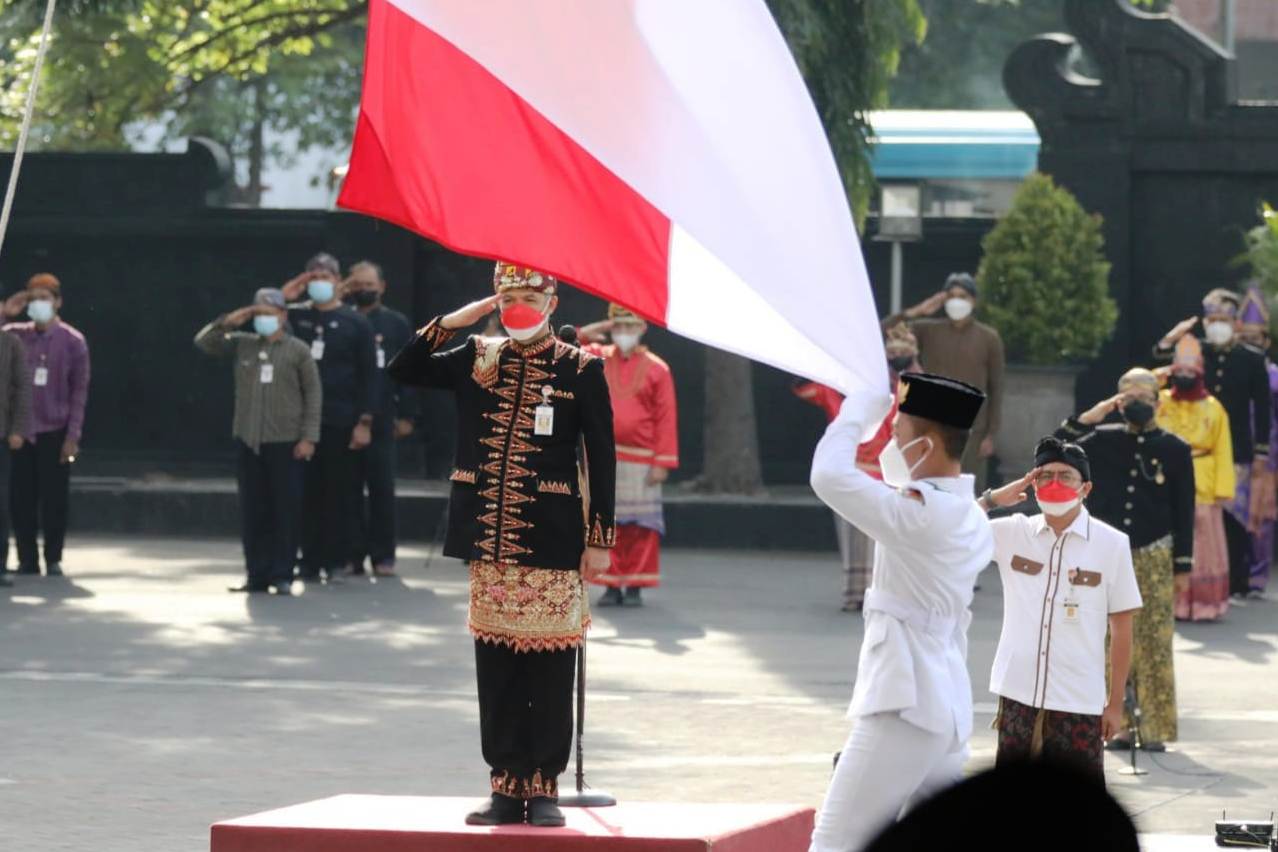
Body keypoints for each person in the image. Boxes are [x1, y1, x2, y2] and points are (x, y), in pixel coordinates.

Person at [386, 262, 615, 828]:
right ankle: (505, 786)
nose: (516, 305)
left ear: (551, 305)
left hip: (554, 534)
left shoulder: (579, 368)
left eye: (527, 296)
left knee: (551, 665)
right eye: (506, 295)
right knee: (497, 667)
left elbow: (603, 457)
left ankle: (544, 787)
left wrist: (601, 538)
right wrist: (460, 320)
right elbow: (404, 368)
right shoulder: (478, 357)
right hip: (489, 536)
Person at [807, 372, 992, 852]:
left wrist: (853, 415)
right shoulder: (970, 514)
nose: (888, 440)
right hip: (943, 706)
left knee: (836, 841)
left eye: (898, 433)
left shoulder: (922, 513)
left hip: (904, 702)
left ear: (927, 447)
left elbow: (828, 476)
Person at [979, 438, 1141, 780]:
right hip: (1017, 692)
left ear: (1086, 487)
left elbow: (1122, 627)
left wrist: (1115, 704)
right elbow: (946, 529)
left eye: (1065, 476)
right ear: (1031, 482)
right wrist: (992, 499)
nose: (1054, 483)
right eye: (1045, 475)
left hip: (1078, 699)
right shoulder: (1012, 533)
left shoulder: (1111, 544)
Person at [1056, 368, 1194, 751]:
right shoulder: (1099, 441)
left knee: (1152, 641)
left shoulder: (1175, 448)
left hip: (1154, 552)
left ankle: (1153, 727)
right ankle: (1112, 724)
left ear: (1157, 402)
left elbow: (1185, 509)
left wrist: (1183, 564)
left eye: (1145, 397)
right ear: (1117, 401)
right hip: (1104, 553)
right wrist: (1092, 416)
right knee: (1102, 639)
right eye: (1129, 397)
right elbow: (1054, 447)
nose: (1138, 403)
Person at [195, 288, 321, 595]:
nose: (265, 318)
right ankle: (257, 574)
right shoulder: (244, 345)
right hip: (250, 441)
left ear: (283, 315)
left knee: (284, 511)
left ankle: (282, 574)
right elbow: (204, 342)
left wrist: (309, 437)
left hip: (286, 442)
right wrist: (232, 320)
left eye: (270, 312)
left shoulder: (298, 350)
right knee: (253, 511)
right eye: (259, 313)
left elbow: (313, 395)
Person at [794, 324, 921, 612]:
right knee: (855, 537)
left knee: (887, 539)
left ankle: (883, 592)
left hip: (892, 474)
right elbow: (804, 387)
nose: (897, 354)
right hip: (855, 471)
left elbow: (926, 402)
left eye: (902, 350)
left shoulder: (906, 385)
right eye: (892, 350)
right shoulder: (844, 390)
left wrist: (910, 363)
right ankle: (857, 593)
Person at [1155, 288, 1272, 598]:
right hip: (1194, 446)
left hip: (1236, 448)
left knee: (1234, 518)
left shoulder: (1251, 359)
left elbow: (1262, 409)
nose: (1217, 324)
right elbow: (1162, 369)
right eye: (1212, 319)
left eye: (1224, 319)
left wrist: (1262, 452)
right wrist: (1171, 339)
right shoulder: (1196, 350)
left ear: (1235, 323)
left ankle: (1237, 582)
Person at [281, 254, 377, 584]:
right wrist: (288, 293)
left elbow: (368, 376)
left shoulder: (355, 323)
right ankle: (308, 560)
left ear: (338, 280)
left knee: (339, 493)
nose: (320, 281)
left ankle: (336, 559)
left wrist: (364, 422)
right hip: (300, 421)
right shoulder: (296, 317)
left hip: (341, 419)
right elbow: (263, 319)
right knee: (304, 494)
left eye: (326, 275)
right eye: (314, 276)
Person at [577, 304, 678, 607]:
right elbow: (567, 343)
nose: (624, 333)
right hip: (603, 456)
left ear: (642, 329)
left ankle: (634, 584)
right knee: (607, 522)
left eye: (629, 327)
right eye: (618, 327)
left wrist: (662, 462)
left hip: (642, 458)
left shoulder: (658, 368)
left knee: (641, 525)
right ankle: (610, 585)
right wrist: (596, 330)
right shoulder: (597, 357)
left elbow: (666, 417)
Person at [880, 273, 1004, 491]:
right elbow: (886, 329)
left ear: (973, 300)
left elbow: (997, 387)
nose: (957, 301)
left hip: (972, 430)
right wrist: (918, 311)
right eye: (952, 296)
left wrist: (991, 434)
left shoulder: (988, 337)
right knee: (930, 489)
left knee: (969, 493)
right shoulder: (928, 329)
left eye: (962, 296)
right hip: (930, 427)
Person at [2, 274, 89, 578]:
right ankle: (28, 559)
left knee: (54, 497)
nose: (38, 304)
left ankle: (53, 557)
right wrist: (5, 311)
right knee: (20, 498)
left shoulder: (72, 341)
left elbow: (79, 391)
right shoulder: (14, 334)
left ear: (58, 302)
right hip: (20, 431)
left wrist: (73, 435)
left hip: (55, 429)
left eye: (44, 298)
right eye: (32, 298)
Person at [343, 260, 417, 578]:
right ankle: (351, 555)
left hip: (384, 415)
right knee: (346, 488)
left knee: (381, 488)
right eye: (357, 285)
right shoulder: (342, 320)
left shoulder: (396, 324)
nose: (363, 290)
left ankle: (383, 555)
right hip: (345, 415)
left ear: (382, 287)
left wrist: (408, 414)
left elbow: (411, 370)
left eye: (369, 284)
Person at [1156, 336, 1234, 621]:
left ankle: (1204, 604)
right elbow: (1136, 389)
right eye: (1180, 371)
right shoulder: (1161, 401)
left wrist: (1223, 489)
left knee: (1205, 547)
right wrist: (1161, 374)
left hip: (1204, 482)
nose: (1185, 376)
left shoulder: (1214, 407)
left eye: (1191, 372)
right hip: (1167, 480)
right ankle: (1171, 604)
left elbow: (1223, 448)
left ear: (1200, 373)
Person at [1233, 284, 1277, 596]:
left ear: (1266, 341)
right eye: (1244, 338)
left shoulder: (1274, 374)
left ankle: (1256, 578)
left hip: (1268, 451)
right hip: (1234, 449)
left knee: (1262, 514)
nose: (1250, 343)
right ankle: (1234, 576)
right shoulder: (1229, 369)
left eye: (1255, 339)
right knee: (1233, 512)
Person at [0, 319, 30, 587]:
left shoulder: (11, 344)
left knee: (0, 502)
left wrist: (18, 429)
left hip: (1, 434)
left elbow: (23, 389)